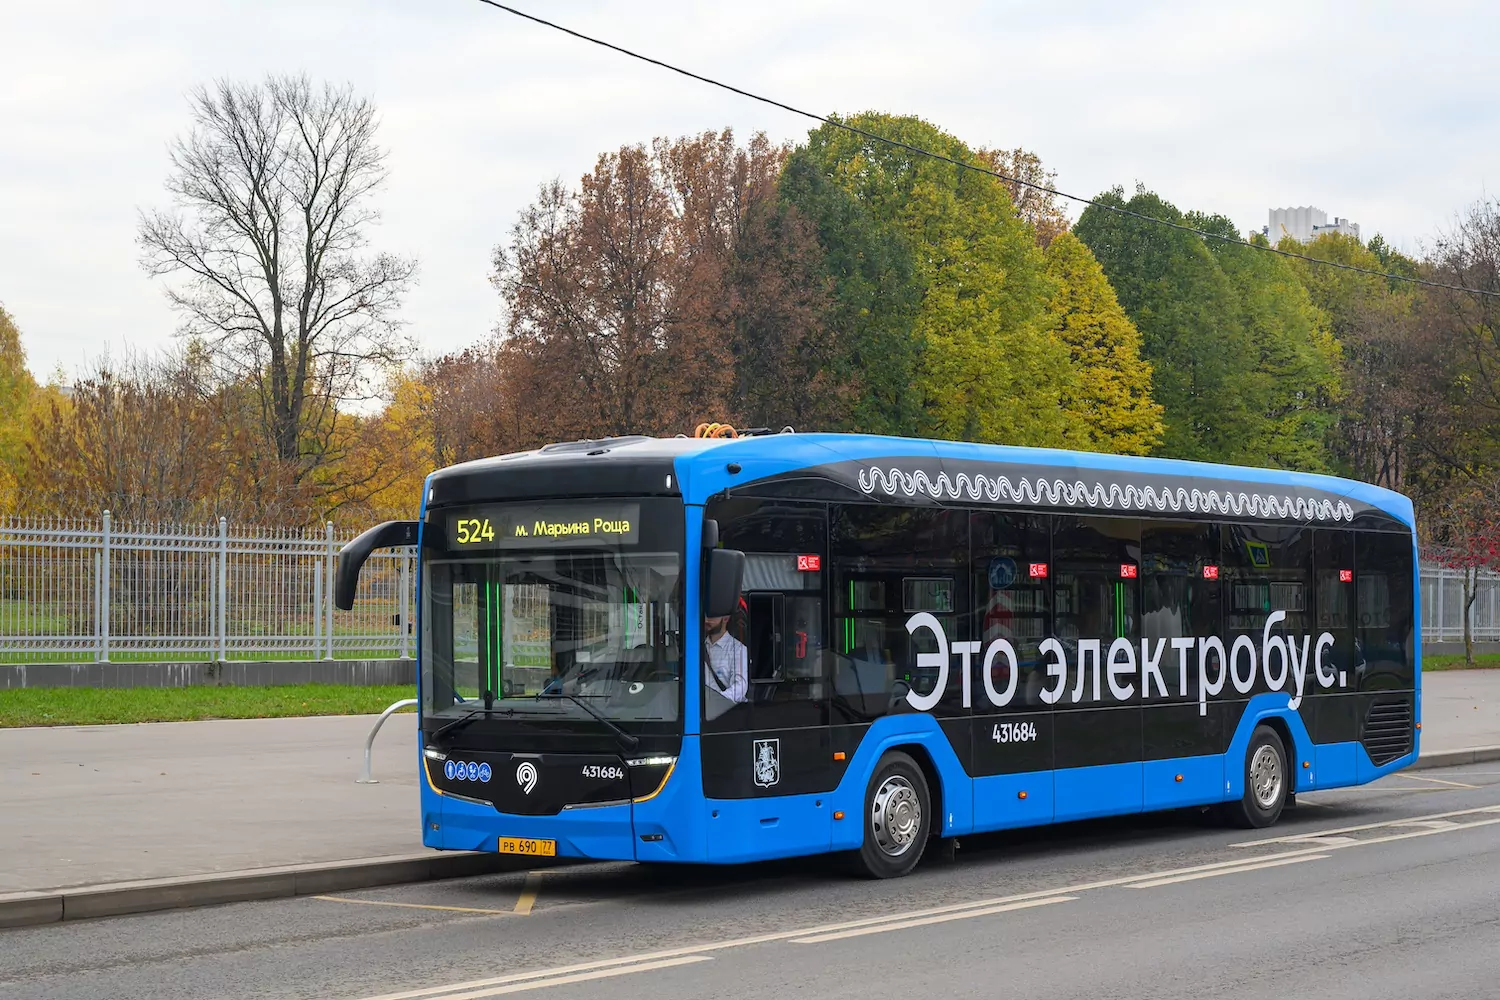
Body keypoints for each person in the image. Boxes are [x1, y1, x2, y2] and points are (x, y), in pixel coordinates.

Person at [703, 614, 749, 707]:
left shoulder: (738, 649)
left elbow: (739, 687)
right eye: (706, 615)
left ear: (726, 618)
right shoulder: (697, 648)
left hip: (724, 712)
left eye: (712, 616)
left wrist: (717, 702)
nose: (706, 620)